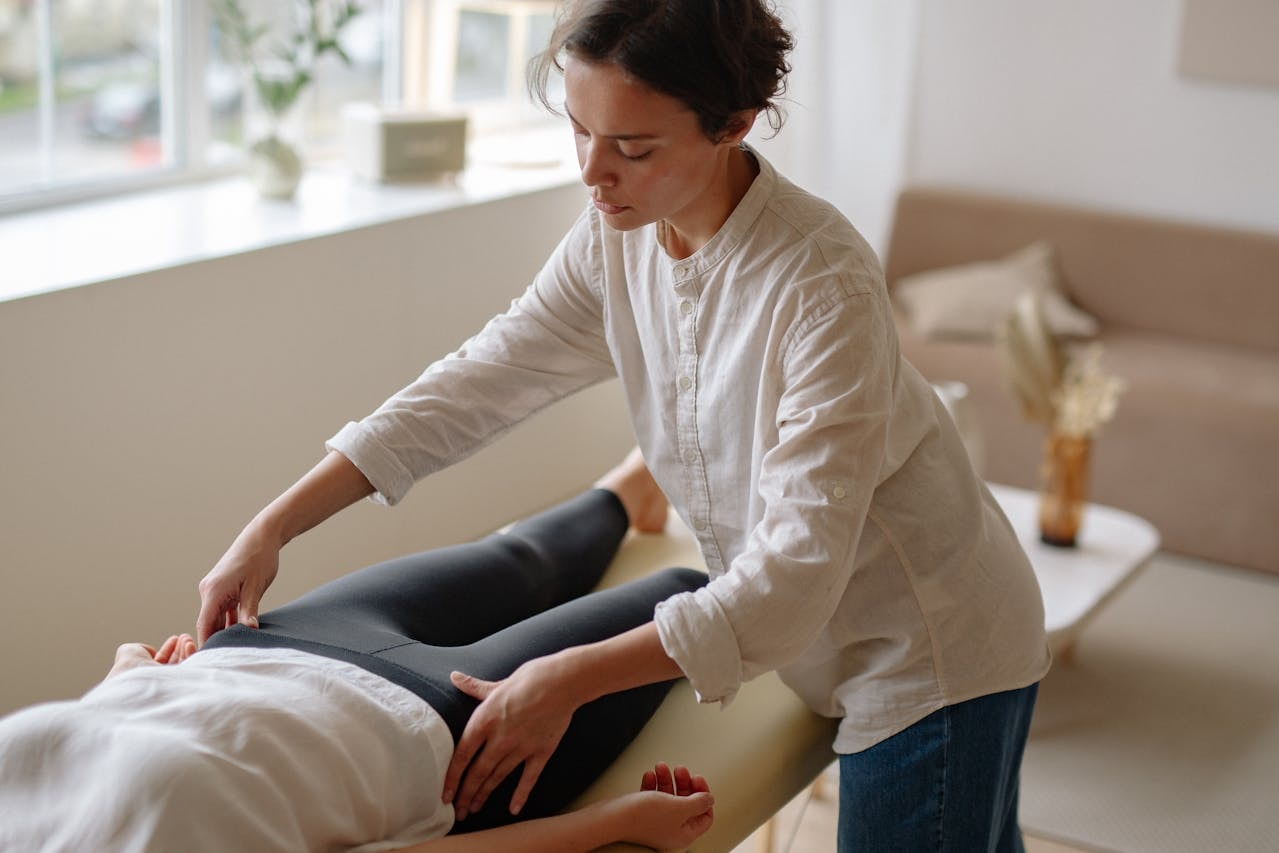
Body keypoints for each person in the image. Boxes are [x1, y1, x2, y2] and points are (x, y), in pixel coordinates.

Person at [198, 1, 1051, 849]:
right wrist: (274, 525)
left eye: (633, 148)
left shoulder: (820, 286)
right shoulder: (617, 237)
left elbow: (790, 580)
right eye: (579, 131)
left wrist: (565, 678)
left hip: (928, 648)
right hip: (824, 640)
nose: (592, 172)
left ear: (735, 123)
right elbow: (473, 385)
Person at [0, 467, 715, 852]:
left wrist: (132, 672)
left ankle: (631, 485)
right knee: (684, 595)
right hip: (439, 732)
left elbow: (85, 731)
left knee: (519, 556)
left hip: (268, 645)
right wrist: (619, 822)